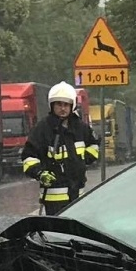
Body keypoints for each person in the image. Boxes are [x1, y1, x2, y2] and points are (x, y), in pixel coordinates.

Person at [21, 82, 99, 215]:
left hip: (78, 195)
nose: (63, 108)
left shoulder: (80, 127)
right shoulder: (43, 129)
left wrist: (83, 160)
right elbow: (28, 156)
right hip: (54, 199)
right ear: (52, 105)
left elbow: (94, 144)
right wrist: (40, 173)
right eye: (59, 104)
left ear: (72, 105)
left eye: (66, 105)